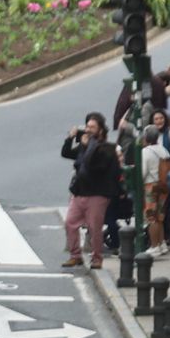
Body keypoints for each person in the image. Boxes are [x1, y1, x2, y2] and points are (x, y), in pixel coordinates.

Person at [60, 112, 121, 268]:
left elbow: (96, 166)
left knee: (95, 228)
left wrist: (88, 147)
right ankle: (75, 255)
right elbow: (66, 153)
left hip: (97, 194)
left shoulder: (107, 148)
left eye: (92, 127)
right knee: (70, 223)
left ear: (101, 130)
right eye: (87, 126)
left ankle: (96, 258)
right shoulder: (84, 146)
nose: (88, 130)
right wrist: (70, 138)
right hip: (80, 192)